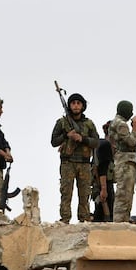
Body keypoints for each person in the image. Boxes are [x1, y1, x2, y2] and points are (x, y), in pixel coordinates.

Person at [50, 93, 99, 223]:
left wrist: (82, 139)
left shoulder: (88, 124)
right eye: (73, 103)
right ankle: (65, 219)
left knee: (84, 194)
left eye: (78, 103)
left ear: (83, 106)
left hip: (84, 163)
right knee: (66, 193)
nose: (76, 106)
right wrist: (67, 136)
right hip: (68, 162)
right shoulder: (62, 122)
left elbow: (96, 142)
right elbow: (54, 141)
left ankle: (84, 219)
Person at [110, 101, 136, 223]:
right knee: (123, 195)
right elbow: (132, 142)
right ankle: (119, 223)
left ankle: (124, 221)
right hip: (124, 163)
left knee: (127, 194)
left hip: (127, 162)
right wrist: (135, 127)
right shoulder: (121, 124)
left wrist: (134, 128)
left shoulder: (120, 123)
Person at [92, 121, 115, 222]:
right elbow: (102, 169)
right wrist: (104, 188)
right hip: (103, 184)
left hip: (103, 184)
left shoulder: (101, 144)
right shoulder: (105, 145)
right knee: (105, 214)